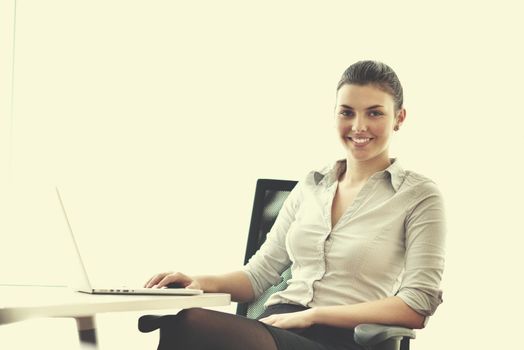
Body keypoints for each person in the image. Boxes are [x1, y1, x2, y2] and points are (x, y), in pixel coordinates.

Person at [143, 60, 446, 350]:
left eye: (375, 113)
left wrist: (313, 315)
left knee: (191, 325)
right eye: (347, 112)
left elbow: (415, 305)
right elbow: (257, 277)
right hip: (277, 326)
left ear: (399, 118)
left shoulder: (419, 195)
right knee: (186, 324)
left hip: (346, 338)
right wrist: (197, 282)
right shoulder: (312, 185)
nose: (359, 125)